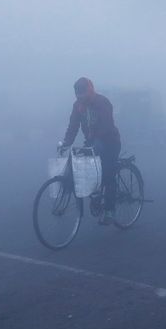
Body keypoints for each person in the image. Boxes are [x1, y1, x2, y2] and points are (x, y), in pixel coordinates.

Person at [61, 77, 121, 225]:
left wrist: (95, 138)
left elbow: (107, 125)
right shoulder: (78, 106)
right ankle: (95, 193)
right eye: (77, 93)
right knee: (84, 168)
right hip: (92, 142)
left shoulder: (102, 102)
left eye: (82, 92)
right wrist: (66, 143)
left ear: (90, 90)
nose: (80, 96)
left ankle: (110, 210)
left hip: (109, 142)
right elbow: (73, 126)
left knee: (107, 174)